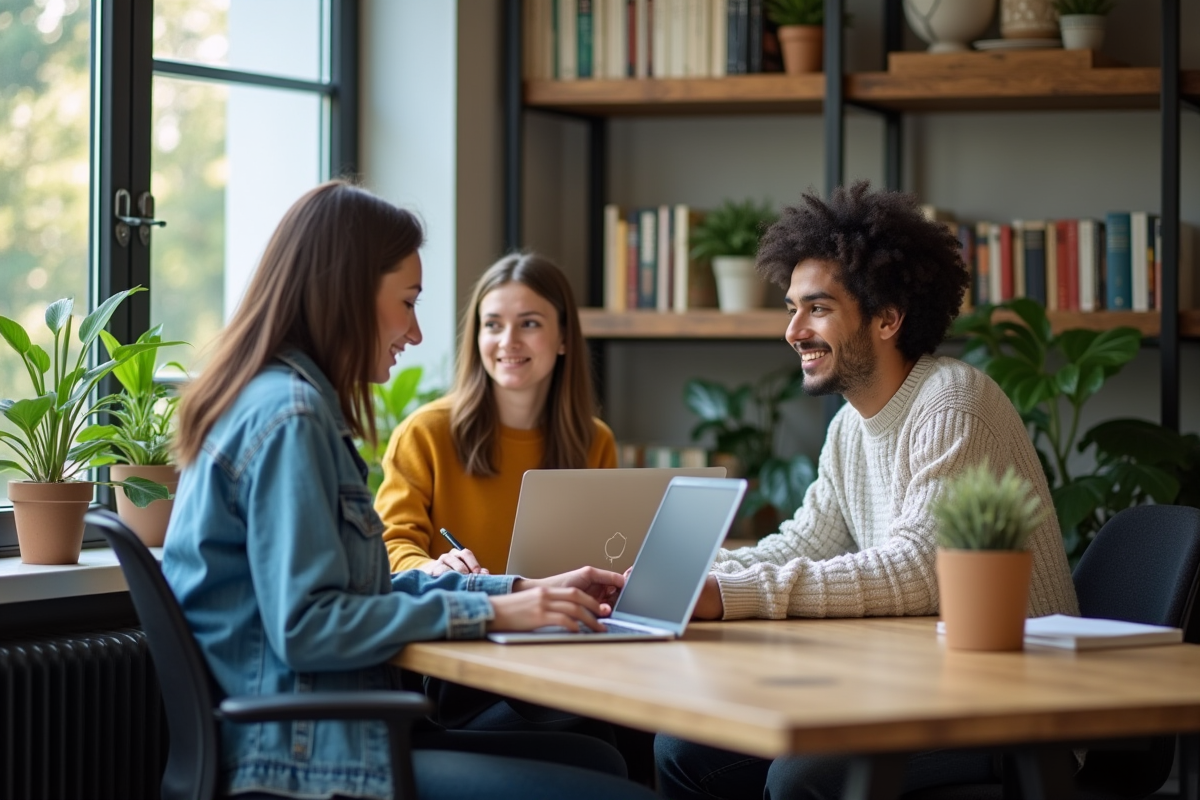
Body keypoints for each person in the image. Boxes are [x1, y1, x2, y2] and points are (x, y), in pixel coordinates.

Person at [162, 180, 657, 800]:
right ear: (347, 292)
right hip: (306, 759)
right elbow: (310, 625)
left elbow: (351, 594)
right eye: (409, 301)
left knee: (599, 759)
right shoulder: (291, 418)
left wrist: (518, 589)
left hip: (323, 735)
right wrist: (498, 611)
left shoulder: (277, 403)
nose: (417, 332)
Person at [655, 182, 1080, 800]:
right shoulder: (850, 427)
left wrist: (730, 593)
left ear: (887, 318)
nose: (793, 330)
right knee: (684, 750)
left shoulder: (952, 403)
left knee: (805, 776)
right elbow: (808, 540)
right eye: (792, 307)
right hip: (915, 688)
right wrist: (681, 571)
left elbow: (921, 568)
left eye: (818, 308)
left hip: (1016, 710)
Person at [375, 252, 616, 577]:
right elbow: (389, 546)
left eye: (529, 324)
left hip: (560, 622)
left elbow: (609, 551)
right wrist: (432, 568)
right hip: (460, 620)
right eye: (492, 325)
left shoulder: (595, 440)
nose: (508, 341)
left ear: (563, 338)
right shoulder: (423, 434)